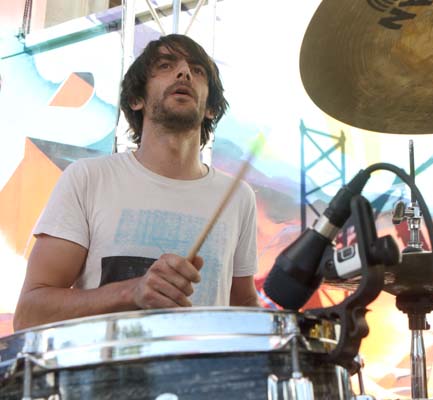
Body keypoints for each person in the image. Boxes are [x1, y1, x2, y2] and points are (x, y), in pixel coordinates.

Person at [13, 34, 259, 331]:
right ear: (136, 99)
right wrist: (132, 292)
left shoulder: (238, 197)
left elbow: (244, 307)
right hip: (105, 376)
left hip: (203, 376)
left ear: (211, 109)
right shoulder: (89, 179)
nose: (184, 73)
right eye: (166, 66)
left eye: (197, 71)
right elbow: (29, 314)